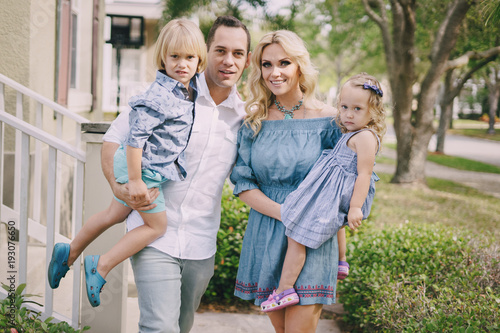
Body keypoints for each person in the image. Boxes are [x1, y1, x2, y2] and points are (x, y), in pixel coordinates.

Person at [100, 16, 251, 332]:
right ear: (205, 52)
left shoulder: (245, 117)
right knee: (159, 327)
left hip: (201, 242)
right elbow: (114, 138)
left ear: (247, 59)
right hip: (154, 233)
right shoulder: (168, 94)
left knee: (181, 326)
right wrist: (120, 185)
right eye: (220, 50)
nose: (228, 60)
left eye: (238, 53)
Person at [47, 19, 207, 308]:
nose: (182, 64)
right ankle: (102, 265)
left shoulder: (187, 88)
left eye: (190, 57)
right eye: (174, 57)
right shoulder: (160, 96)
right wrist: (136, 181)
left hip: (140, 167)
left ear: (199, 60)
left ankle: (68, 251)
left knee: (113, 214)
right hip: (140, 168)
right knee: (157, 227)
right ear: (163, 58)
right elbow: (135, 140)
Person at [229, 30, 342, 333]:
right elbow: (242, 182)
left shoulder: (330, 121)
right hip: (266, 232)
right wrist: (285, 213)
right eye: (266, 64)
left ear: (299, 66)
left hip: (311, 237)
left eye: (284, 63)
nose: (274, 73)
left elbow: (346, 182)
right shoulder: (254, 122)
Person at [261, 73, 386, 313]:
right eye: (344, 107)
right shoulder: (352, 132)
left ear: (374, 112)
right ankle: (341, 262)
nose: (348, 114)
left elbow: (364, 175)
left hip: (337, 194)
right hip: (330, 193)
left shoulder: (366, 137)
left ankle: (284, 289)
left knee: (296, 233)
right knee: (334, 227)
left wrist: (355, 207)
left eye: (357, 108)